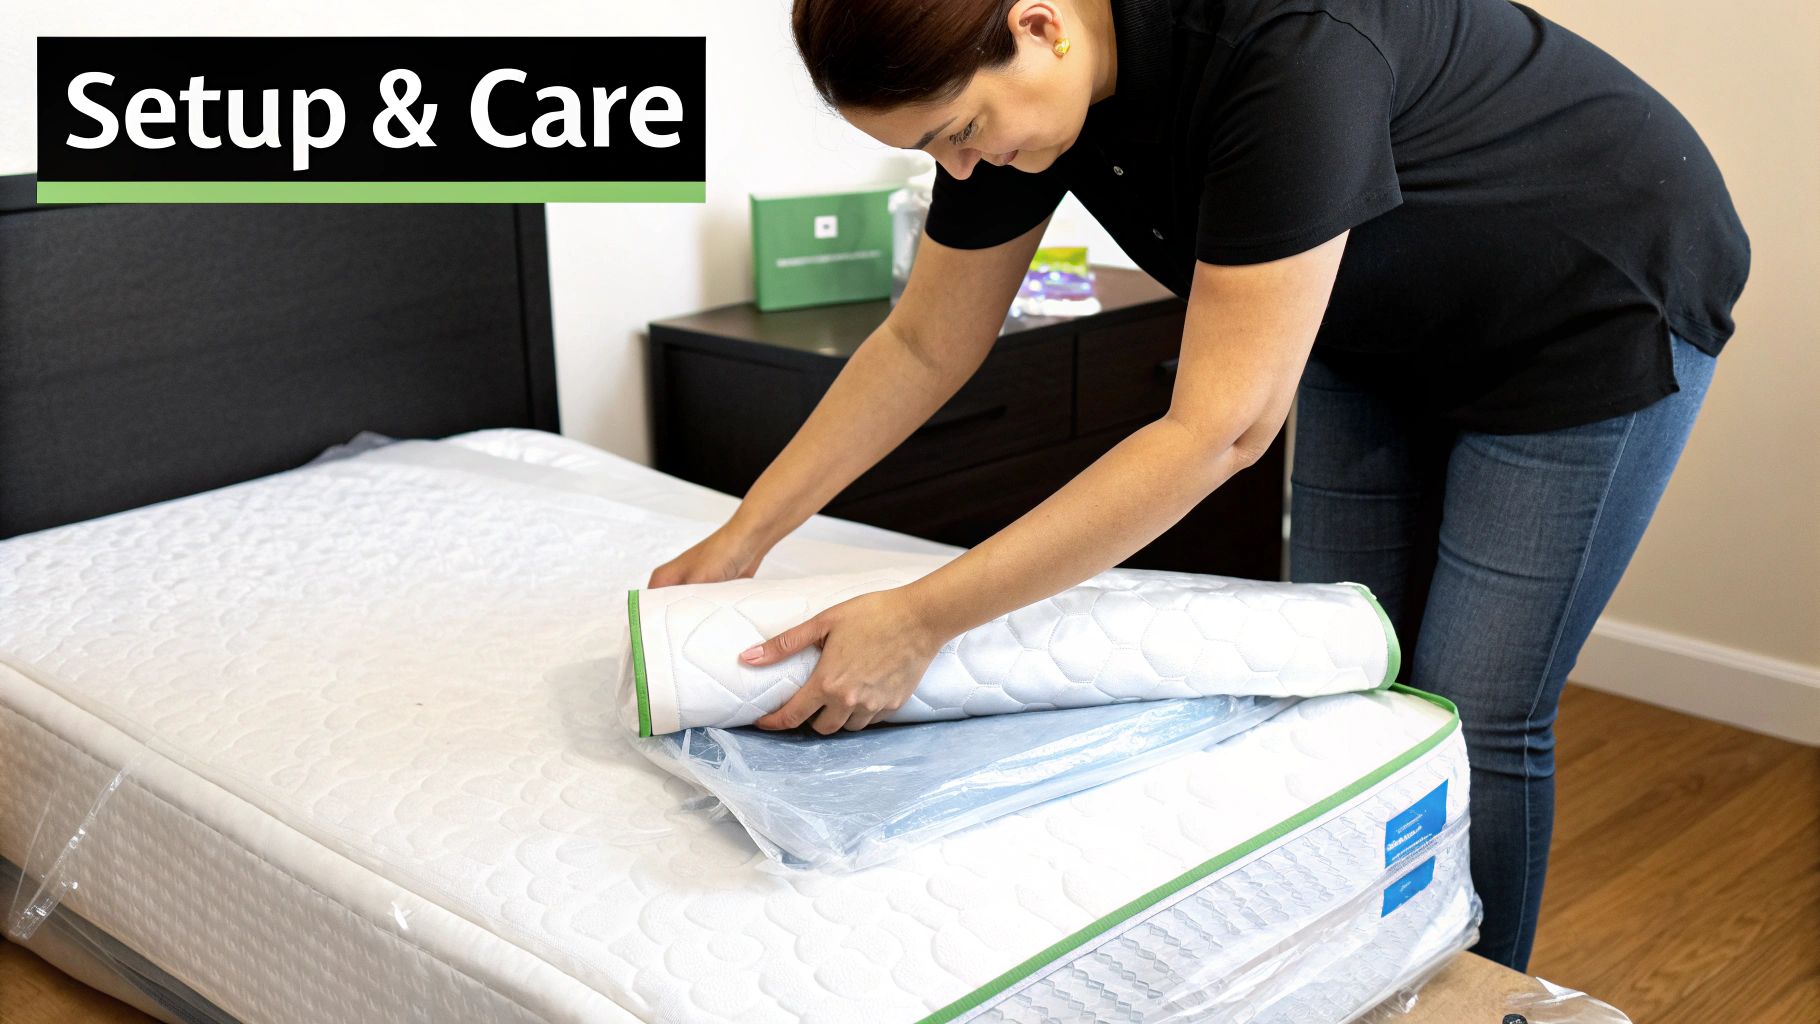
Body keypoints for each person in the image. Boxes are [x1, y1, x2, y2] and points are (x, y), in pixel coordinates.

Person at [647, 0, 1749, 971]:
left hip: (1584, 307)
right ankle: (1372, 967)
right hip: (1375, 321)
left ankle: (1480, 998)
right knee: (1342, 669)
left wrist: (922, 617)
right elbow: (927, 341)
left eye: (960, 132)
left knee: (1473, 709)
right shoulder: (1031, 94)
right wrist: (747, 532)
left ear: (1038, 24)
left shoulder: (1285, 44)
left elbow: (1219, 430)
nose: (963, 170)